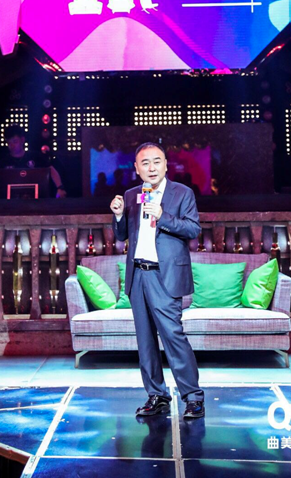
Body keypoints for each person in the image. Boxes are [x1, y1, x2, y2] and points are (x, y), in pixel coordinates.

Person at [110, 142, 204, 420]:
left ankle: (193, 397)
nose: (151, 168)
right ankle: (157, 396)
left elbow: (193, 229)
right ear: (136, 168)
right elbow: (122, 235)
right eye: (145, 163)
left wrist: (163, 217)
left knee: (173, 336)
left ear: (165, 164)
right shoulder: (131, 195)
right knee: (145, 341)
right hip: (138, 274)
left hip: (165, 276)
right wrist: (118, 215)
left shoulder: (182, 193)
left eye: (156, 161)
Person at [0, 125, 67, 197]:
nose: (12, 146)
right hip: (11, 201)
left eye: (15, 142)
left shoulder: (35, 157)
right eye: (9, 143)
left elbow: (51, 170)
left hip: (37, 200)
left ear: (22, 140)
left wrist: (60, 188)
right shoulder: (4, 162)